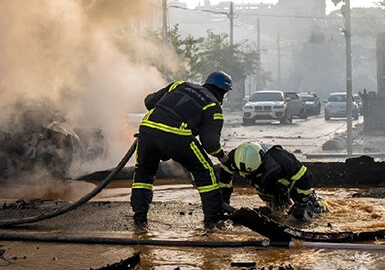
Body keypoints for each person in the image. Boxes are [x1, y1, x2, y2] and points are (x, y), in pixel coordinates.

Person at [131, 71, 232, 229]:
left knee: (144, 172)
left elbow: (150, 101)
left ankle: (140, 219)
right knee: (205, 171)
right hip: (177, 135)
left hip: (147, 130)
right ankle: (213, 221)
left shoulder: (180, 85)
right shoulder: (213, 105)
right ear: (223, 92)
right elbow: (210, 143)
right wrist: (222, 156)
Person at [218, 142, 327, 221]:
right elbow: (224, 181)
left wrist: (302, 204)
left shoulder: (281, 158)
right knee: (275, 214)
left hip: (289, 185)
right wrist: (224, 201)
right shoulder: (234, 159)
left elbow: (305, 177)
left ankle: (316, 205)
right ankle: (274, 211)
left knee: (301, 217)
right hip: (266, 186)